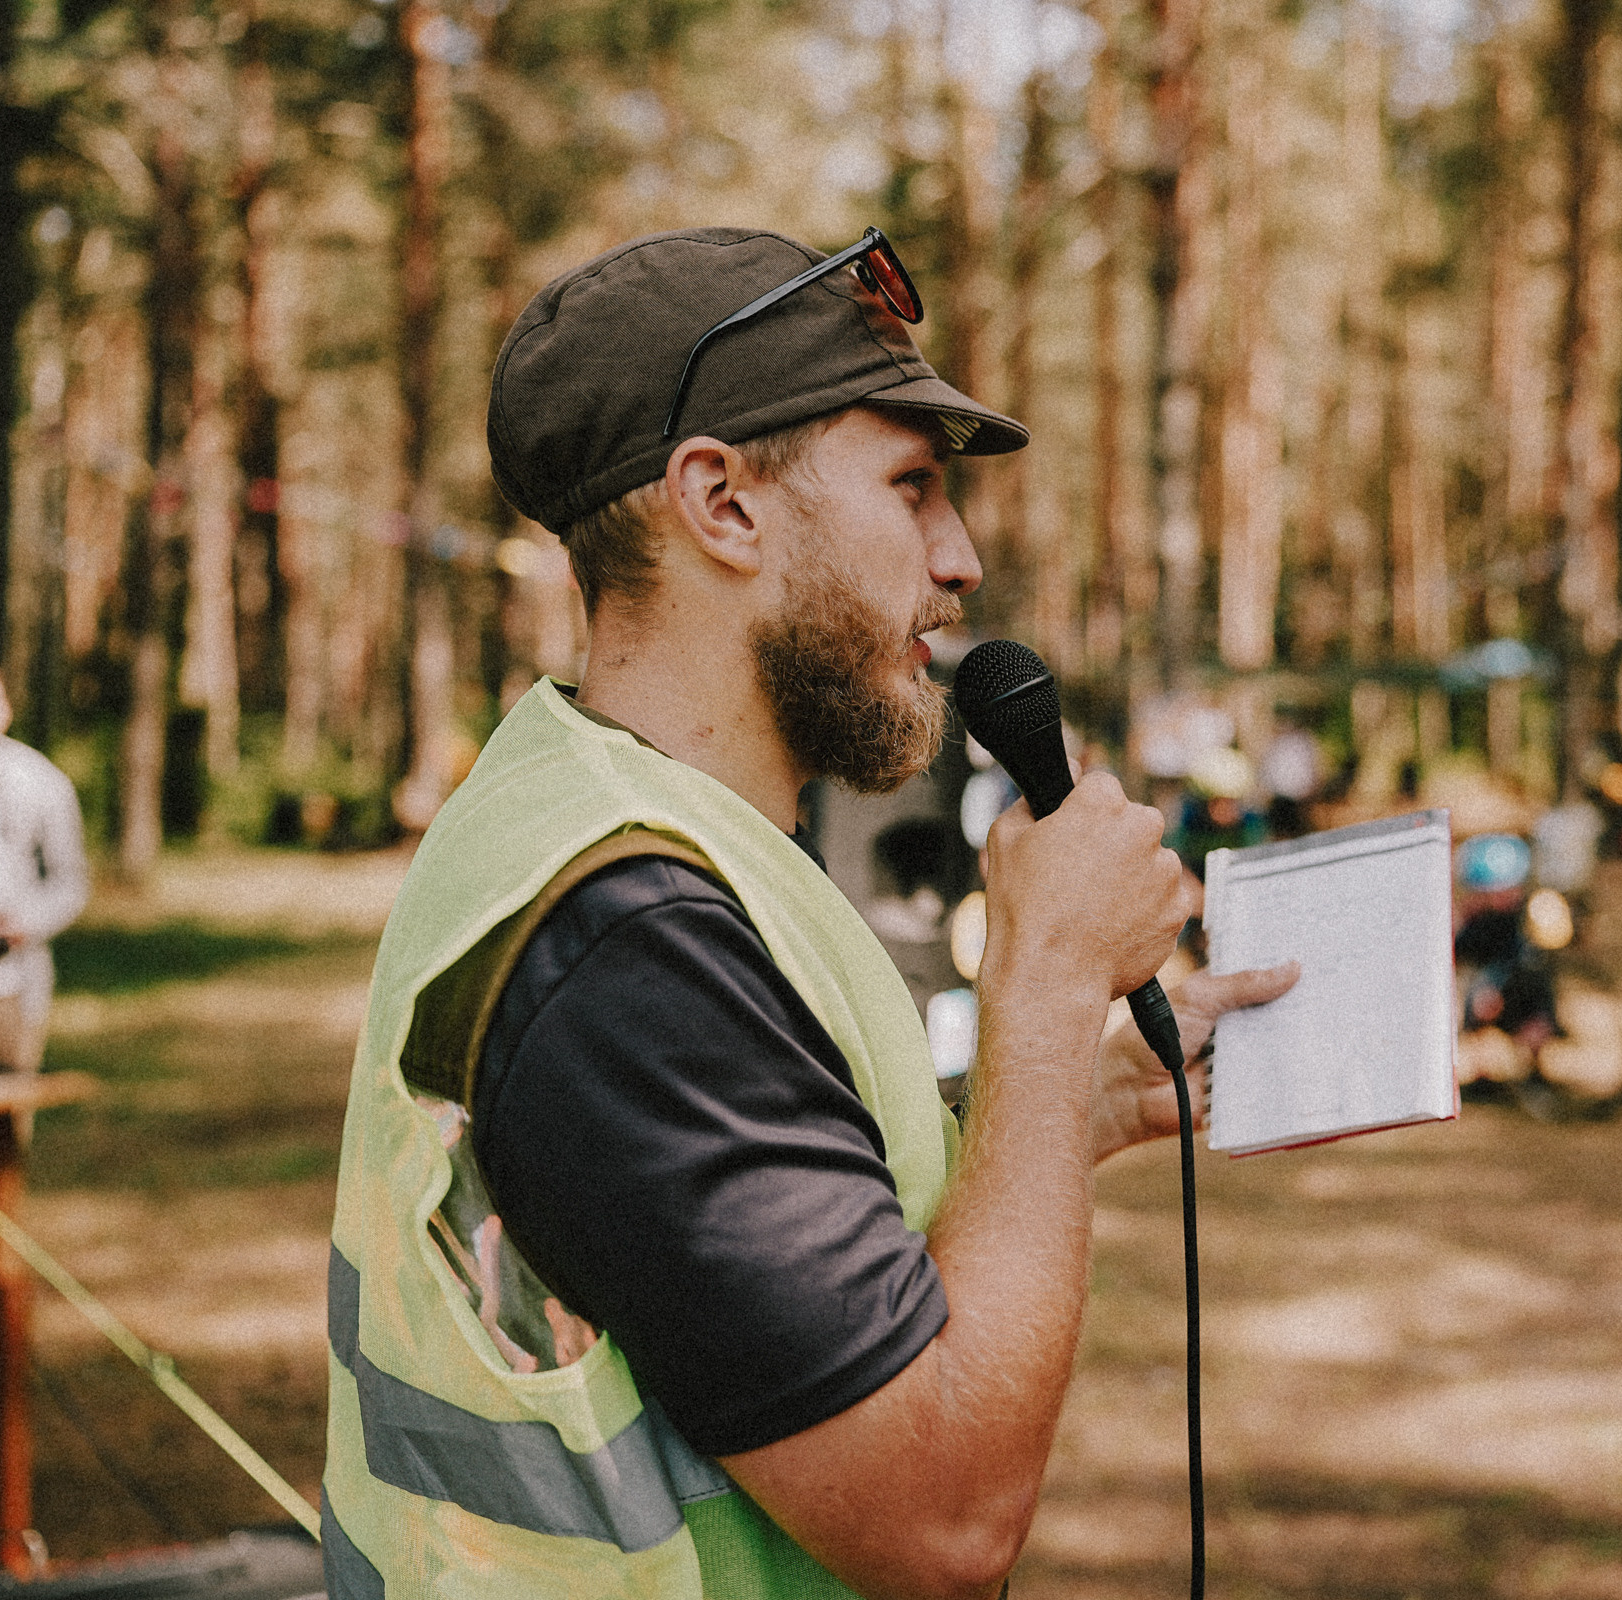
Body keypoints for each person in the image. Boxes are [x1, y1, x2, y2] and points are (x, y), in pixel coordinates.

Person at [321, 228, 1298, 1598]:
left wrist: (1067, 1099)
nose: (960, 561)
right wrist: (1046, 983)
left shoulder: (607, 815)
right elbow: (944, 1520)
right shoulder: (630, 932)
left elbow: (738, 1269)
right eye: (912, 488)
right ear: (722, 505)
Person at [0, 648, 89, 1260]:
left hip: (5, 995)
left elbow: (70, 884)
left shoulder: (42, 784)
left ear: (2, 709)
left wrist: (20, 921)